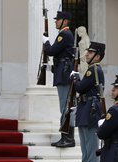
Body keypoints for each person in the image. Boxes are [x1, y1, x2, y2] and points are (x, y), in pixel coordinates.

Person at [70, 41, 106, 162]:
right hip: (86, 110)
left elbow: (80, 87)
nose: (87, 54)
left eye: (90, 53)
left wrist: (75, 77)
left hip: (90, 111)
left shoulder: (94, 70)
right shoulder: (92, 70)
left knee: (91, 148)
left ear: (97, 57)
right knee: (86, 148)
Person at [42, 11, 75, 148]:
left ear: (65, 21)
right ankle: (67, 136)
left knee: (65, 108)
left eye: (58, 19)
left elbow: (51, 51)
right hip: (62, 72)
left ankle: (67, 137)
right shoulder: (65, 34)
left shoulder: (64, 34)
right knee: (66, 107)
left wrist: (46, 42)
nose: (56, 21)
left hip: (64, 75)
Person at [97, 74, 118, 162]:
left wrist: (101, 125)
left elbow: (101, 133)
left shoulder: (114, 111)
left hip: (113, 156)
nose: (113, 90)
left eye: (116, 87)